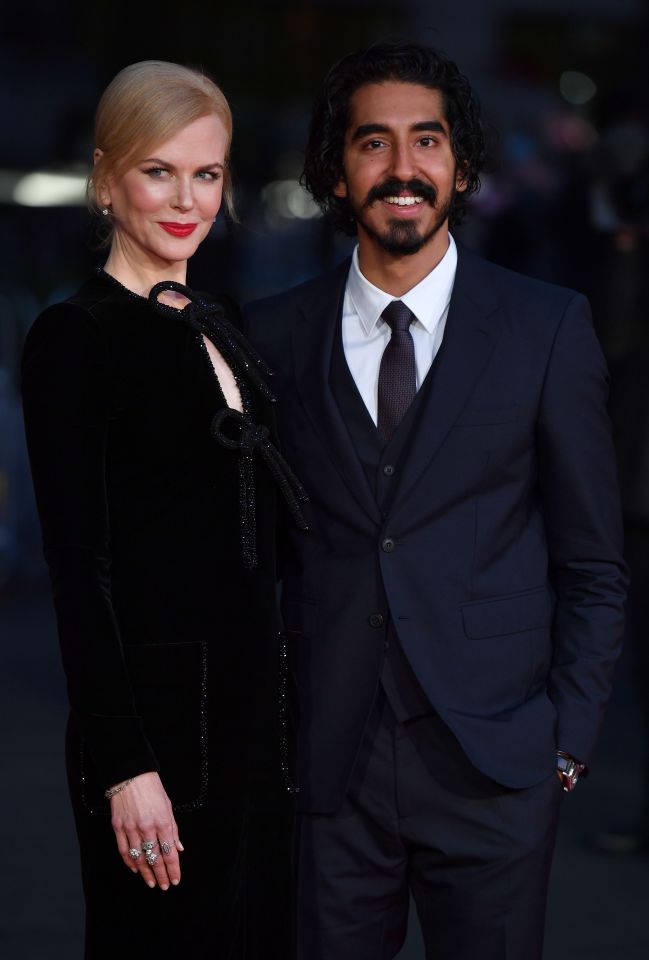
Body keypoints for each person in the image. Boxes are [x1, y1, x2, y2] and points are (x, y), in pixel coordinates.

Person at [244, 41, 627, 960]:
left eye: (427, 141)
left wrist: (562, 745)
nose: (403, 168)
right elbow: (255, 557)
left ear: (460, 168)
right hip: (329, 769)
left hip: (494, 764)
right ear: (336, 172)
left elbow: (592, 563)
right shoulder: (270, 335)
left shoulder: (545, 327)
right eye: (373, 143)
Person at [22, 61, 305, 959]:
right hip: (156, 742)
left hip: (258, 726)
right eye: (159, 170)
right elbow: (79, 567)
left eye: (208, 173)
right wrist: (124, 766)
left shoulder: (218, 318)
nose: (187, 199)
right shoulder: (77, 338)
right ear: (106, 178)